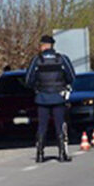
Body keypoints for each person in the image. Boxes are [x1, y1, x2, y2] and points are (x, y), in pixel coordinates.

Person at [25, 35, 76, 163]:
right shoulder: (62, 59)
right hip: (58, 97)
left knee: (42, 126)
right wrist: (64, 85)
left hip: (42, 97)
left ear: (43, 45)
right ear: (52, 45)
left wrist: (37, 87)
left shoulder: (37, 60)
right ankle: (62, 153)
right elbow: (72, 77)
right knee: (60, 125)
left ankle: (40, 154)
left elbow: (28, 80)